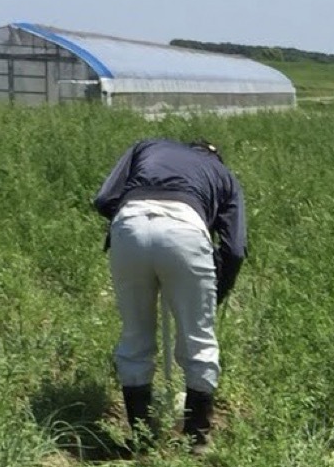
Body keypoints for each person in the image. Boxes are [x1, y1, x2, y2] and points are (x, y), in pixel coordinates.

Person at [94, 137, 247, 451]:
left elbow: (103, 198)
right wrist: (213, 293)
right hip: (186, 229)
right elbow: (234, 249)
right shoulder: (224, 176)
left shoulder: (147, 147)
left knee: (135, 337)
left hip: (130, 223)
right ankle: (196, 439)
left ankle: (140, 438)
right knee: (198, 339)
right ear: (215, 158)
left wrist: (133, 230)